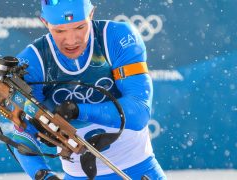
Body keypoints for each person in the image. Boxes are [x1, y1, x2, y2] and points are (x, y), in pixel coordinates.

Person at [12, 0, 166, 179]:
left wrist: (77, 111)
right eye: (60, 30)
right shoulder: (33, 61)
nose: (71, 41)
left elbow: (139, 112)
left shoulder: (115, 37)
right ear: (45, 23)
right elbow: (23, 132)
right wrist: (43, 175)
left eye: (79, 27)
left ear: (91, 14)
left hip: (139, 169)